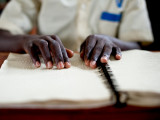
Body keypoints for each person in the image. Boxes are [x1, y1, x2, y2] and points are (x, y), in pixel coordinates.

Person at [0, 0, 153, 69]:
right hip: (47, 72)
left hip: (105, 72)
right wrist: (25, 40)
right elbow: (2, 35)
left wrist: (111, 42)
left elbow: (137, 43)